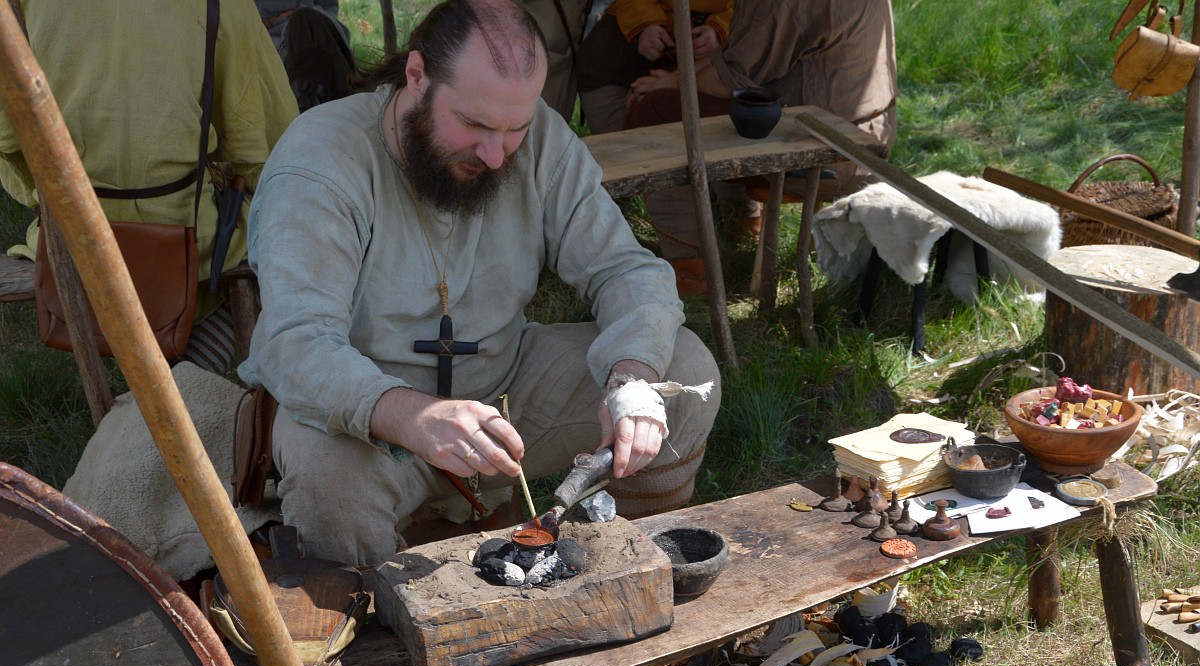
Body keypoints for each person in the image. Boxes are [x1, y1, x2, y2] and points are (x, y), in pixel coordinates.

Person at [238, 0, 722, 567]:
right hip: (367, 418)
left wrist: (631, 379)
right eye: (473, 125)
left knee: (681, 370)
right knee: (330, 478)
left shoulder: (537, 138)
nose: (496, 155)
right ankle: (370, 629)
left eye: (513, 129)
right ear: (416, 78)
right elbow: (297, 345)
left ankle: (622, 563)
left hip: (503, 390)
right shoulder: (321, 164)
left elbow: (625, 269)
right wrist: (414, 417)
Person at [0, 0, 299, 373]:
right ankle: (191, 374)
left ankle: (165, 391)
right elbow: (266, 143)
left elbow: (9, 141)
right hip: (189, 239)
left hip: (68, 241)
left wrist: (45, 193)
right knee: (274, 241)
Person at [623, 0, 898, 296]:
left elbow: (731, 77)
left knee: (656, 110)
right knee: (693, 103)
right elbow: (740, 61)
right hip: (865, 138)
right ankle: (742, 220)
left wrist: (672, 83)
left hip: (825, 147)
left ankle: (690, 269)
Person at [576, 0, 734, 133]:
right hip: (648, 13)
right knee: (600, 54)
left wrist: (721, 29)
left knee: (662, 106)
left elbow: (755, 15)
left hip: (728, 33)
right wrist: (646, 24)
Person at [255, 0, 357, 112]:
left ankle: (318, 108)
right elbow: (237, 16)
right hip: (272, 35)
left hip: (317, 25)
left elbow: (329, 5)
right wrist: (266, 21)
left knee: (305, 20)